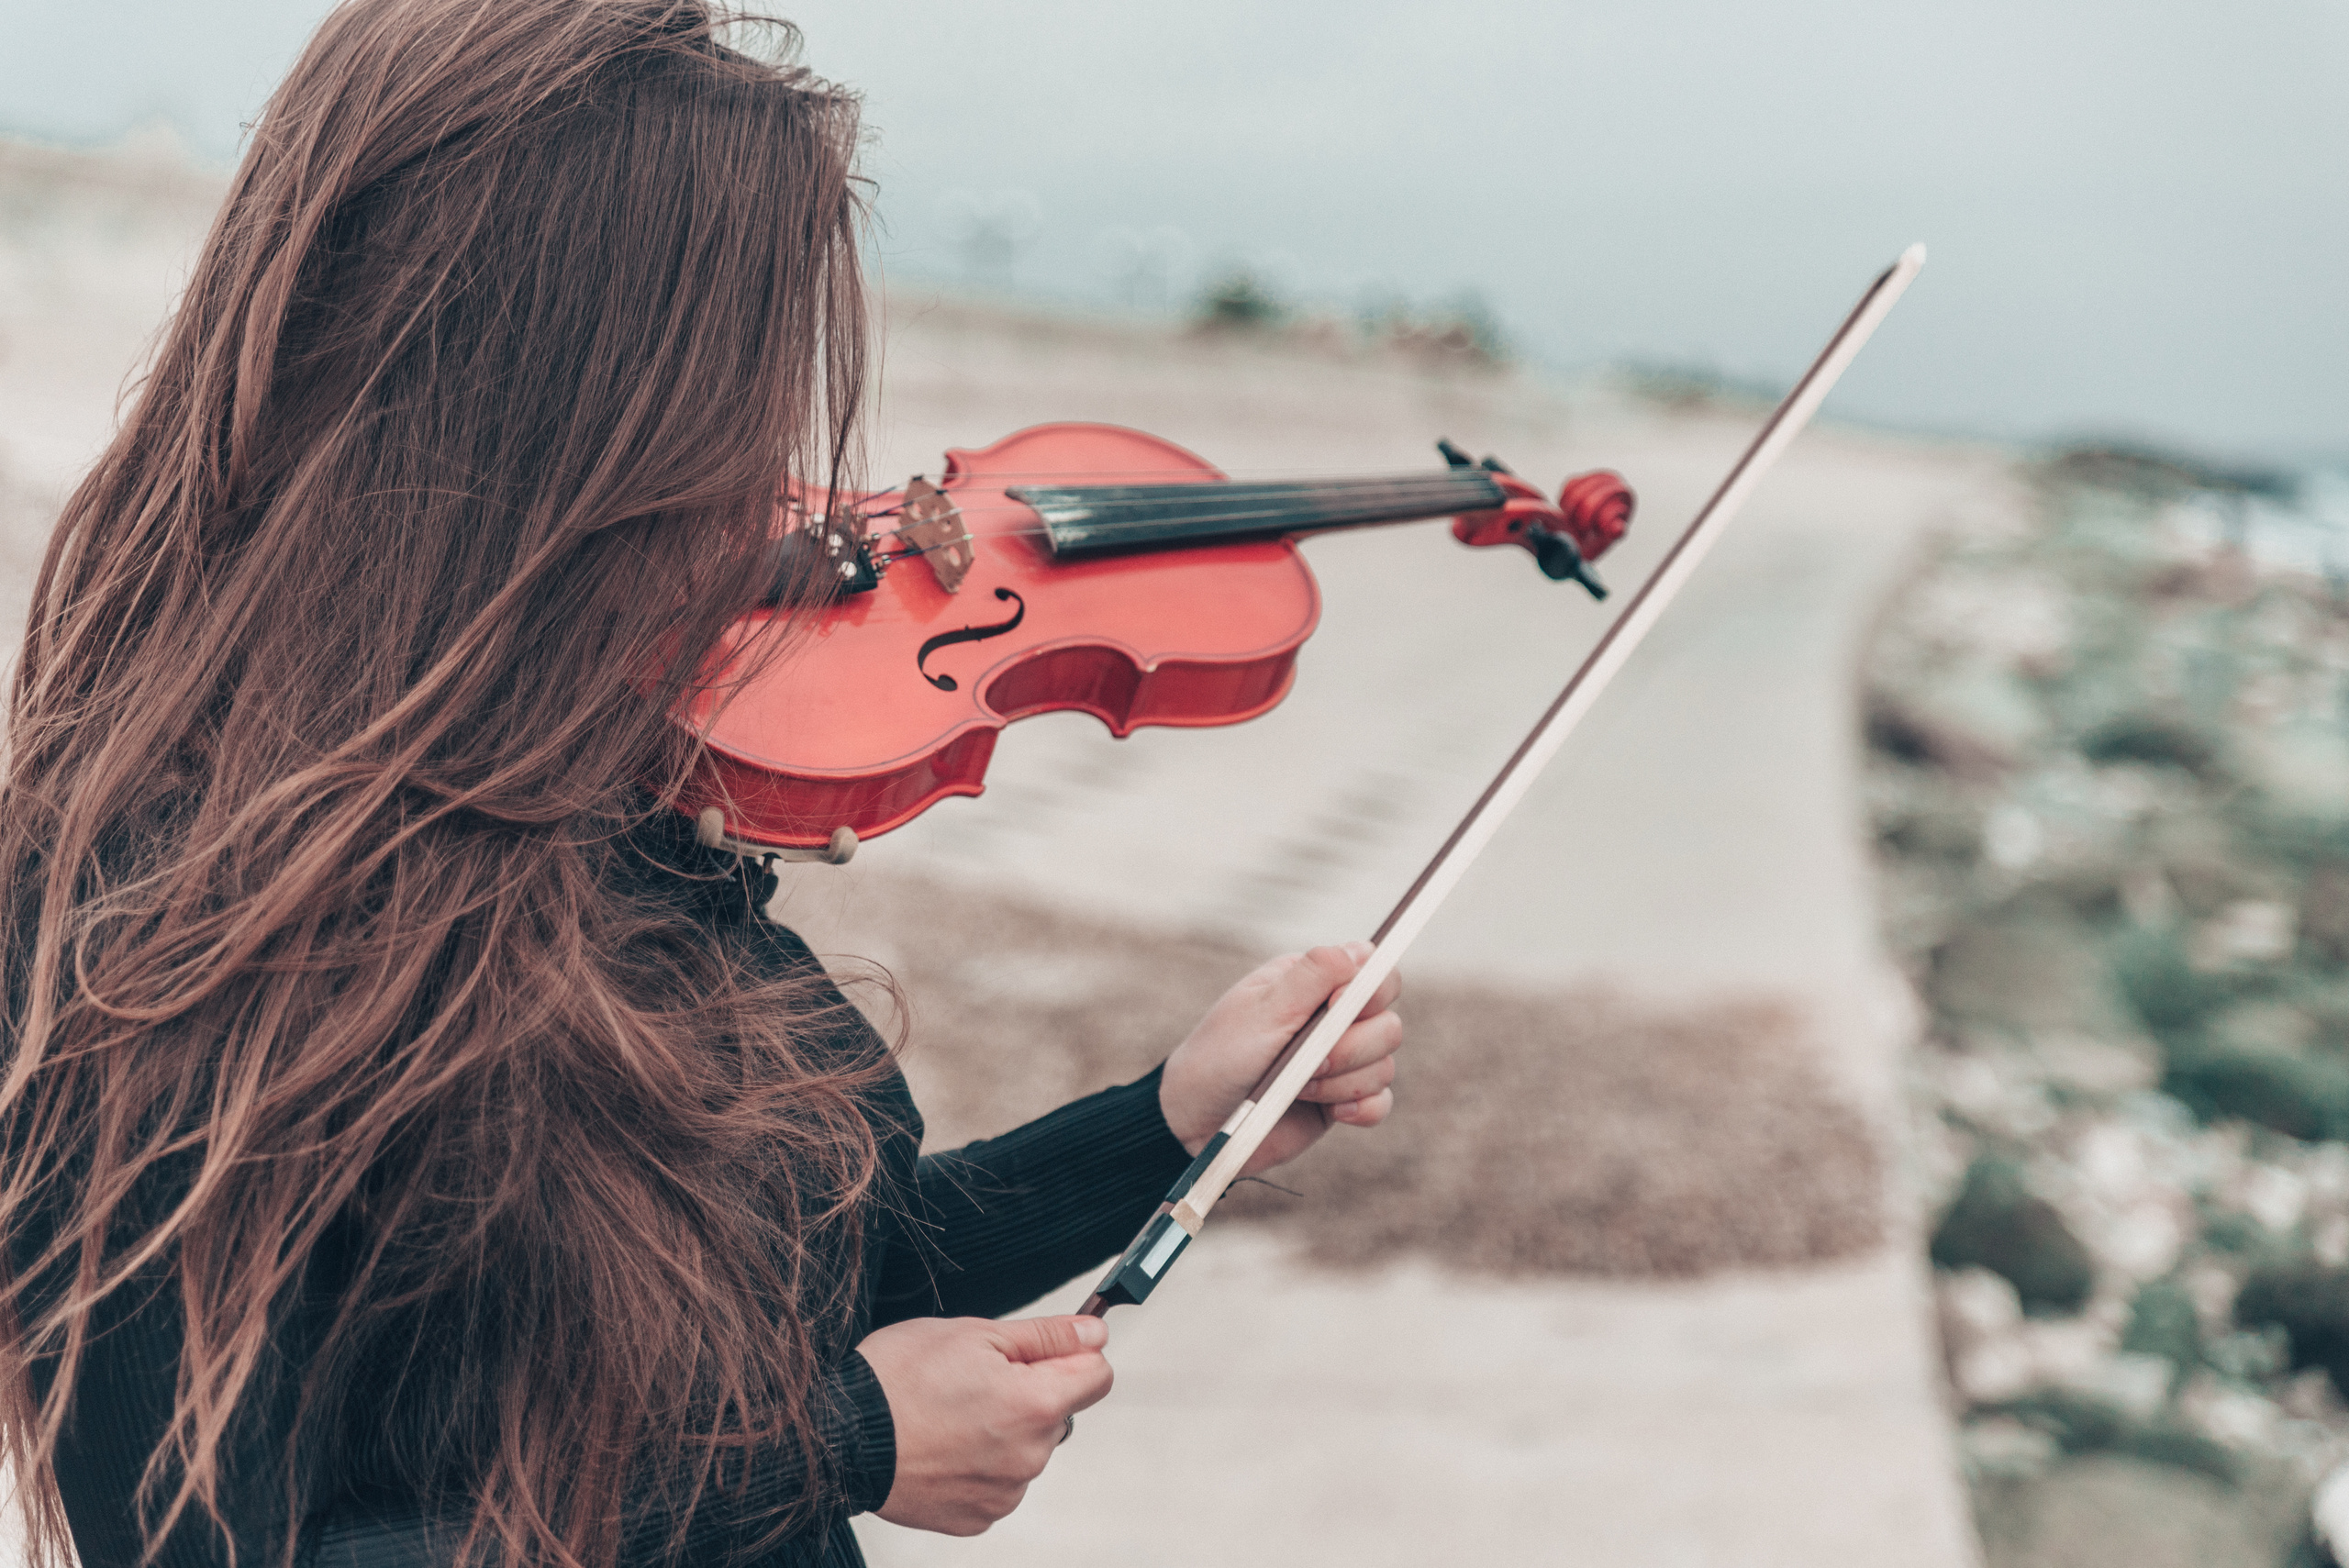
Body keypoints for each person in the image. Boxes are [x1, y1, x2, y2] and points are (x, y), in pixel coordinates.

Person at [0, 3, 1405, 1566]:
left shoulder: (584, 802)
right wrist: (844, 1443)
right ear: (564, 408)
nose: (783, 486)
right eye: (740, 401)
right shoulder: (142, 907)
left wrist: (1166, 1122)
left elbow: (795, 1282)